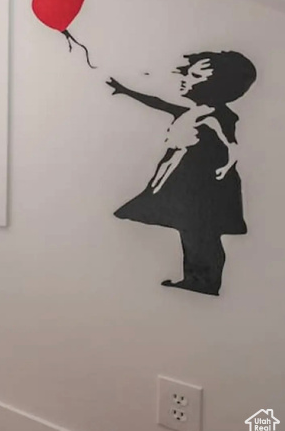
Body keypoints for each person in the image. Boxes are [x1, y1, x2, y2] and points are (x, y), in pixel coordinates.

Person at [107, 51, 256, 296]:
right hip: (186, 182)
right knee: (191, 232)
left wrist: (228, 165)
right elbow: (159, 103)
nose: (185, 78)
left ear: (217, 86)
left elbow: (231, 145)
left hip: (205, 187)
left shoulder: (218, 115)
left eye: (195, 75)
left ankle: (205, 282)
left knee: (203, 234)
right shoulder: (192, 112)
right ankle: (195, 279)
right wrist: (125, 91)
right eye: (188, 72)